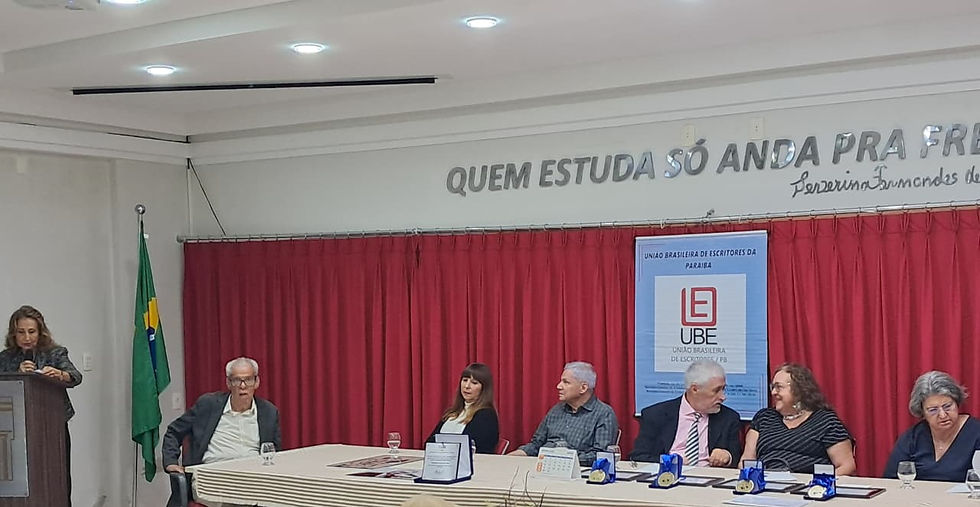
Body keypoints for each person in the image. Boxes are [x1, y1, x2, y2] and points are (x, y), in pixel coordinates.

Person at [162, 357, 281, 503]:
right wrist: (170, 462)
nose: (242, 386)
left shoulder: (268, 412)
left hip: (253, 478)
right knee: (237, 501)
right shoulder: (208, 405)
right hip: (212, 478)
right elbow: (174, 431)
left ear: (256, 382)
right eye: (237, 380)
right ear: (228, 383)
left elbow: (275, 452)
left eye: (248, 380)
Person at [0, 305, 82, 503]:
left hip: (52, 427)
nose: (27, 337)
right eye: (21, 332)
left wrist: (60, 374)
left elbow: (75, 376)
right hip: (14, 430)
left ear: (40, 331)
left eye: (31, 332)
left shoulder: (55, 353)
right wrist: (17, 371)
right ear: (14, 334)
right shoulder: (5, 358)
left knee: (58, 479)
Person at [741, 363, 855, 475]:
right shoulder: (764, 418)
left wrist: (817, 486)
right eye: (773, 387)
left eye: (779, 387)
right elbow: (746, 461)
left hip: (808, 488)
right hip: (764, 486)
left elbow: (846, 466)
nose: (773, 392)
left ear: (799, 391)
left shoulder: (826, 421)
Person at [630, 360, 742, 467]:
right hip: (667, 477)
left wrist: (727, 457)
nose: (723, 397)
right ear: (694, 389)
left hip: (709, 480)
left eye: (723, 389)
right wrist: (671, 461)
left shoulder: (729, 418)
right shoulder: (656, 415)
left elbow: (737, 458)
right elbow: (638, 457)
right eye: (716, 390)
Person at [508, 361, 618, 466]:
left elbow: (600, 455)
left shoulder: (604, 414)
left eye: (566, 382)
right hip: (544, 467)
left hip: (577, 474)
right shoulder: (556, 410)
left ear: (583, 388)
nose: (559, 386)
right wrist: (512, 456)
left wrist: (563, 457)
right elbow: (536, 444)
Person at [884, 370, 980, 481]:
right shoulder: (912, 437)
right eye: (933, 410)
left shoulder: (976, 433)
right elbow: (890, 480)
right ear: (922, 413)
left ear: (957, 403)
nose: (943, 415)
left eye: (947, 406)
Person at [425, 363, 500, 454]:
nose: (467, 386)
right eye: (465, 380)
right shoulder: (452, 413)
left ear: (484, 389)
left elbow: (473, 448)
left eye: (474, 383)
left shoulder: (486, 415)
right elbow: (428, 443)